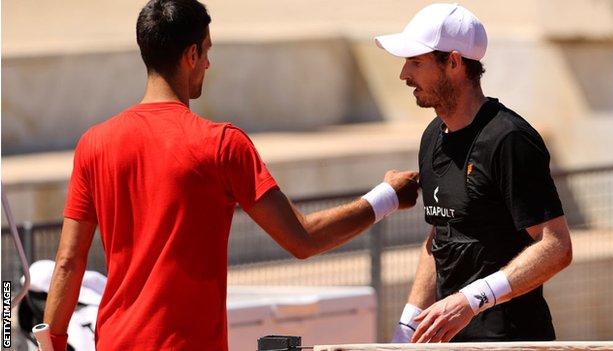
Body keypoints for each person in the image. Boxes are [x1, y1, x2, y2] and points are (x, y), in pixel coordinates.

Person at [42, 1, 420, 350]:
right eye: (207, 50)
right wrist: (388, 196)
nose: (208, 63)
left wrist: (53, 344)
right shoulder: (221, 144)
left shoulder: (93, 144)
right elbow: (302, 239)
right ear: (192, 54)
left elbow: (67, 262)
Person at [375, 3, 573, 343]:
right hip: (449, 342)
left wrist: (470, 300)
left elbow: (556, 246)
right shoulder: (433, 136)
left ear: (453, 63)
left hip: (511, 341)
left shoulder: (510, 139)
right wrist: (407, 328)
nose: (404, 74)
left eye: (416, 61)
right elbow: (440, 236)